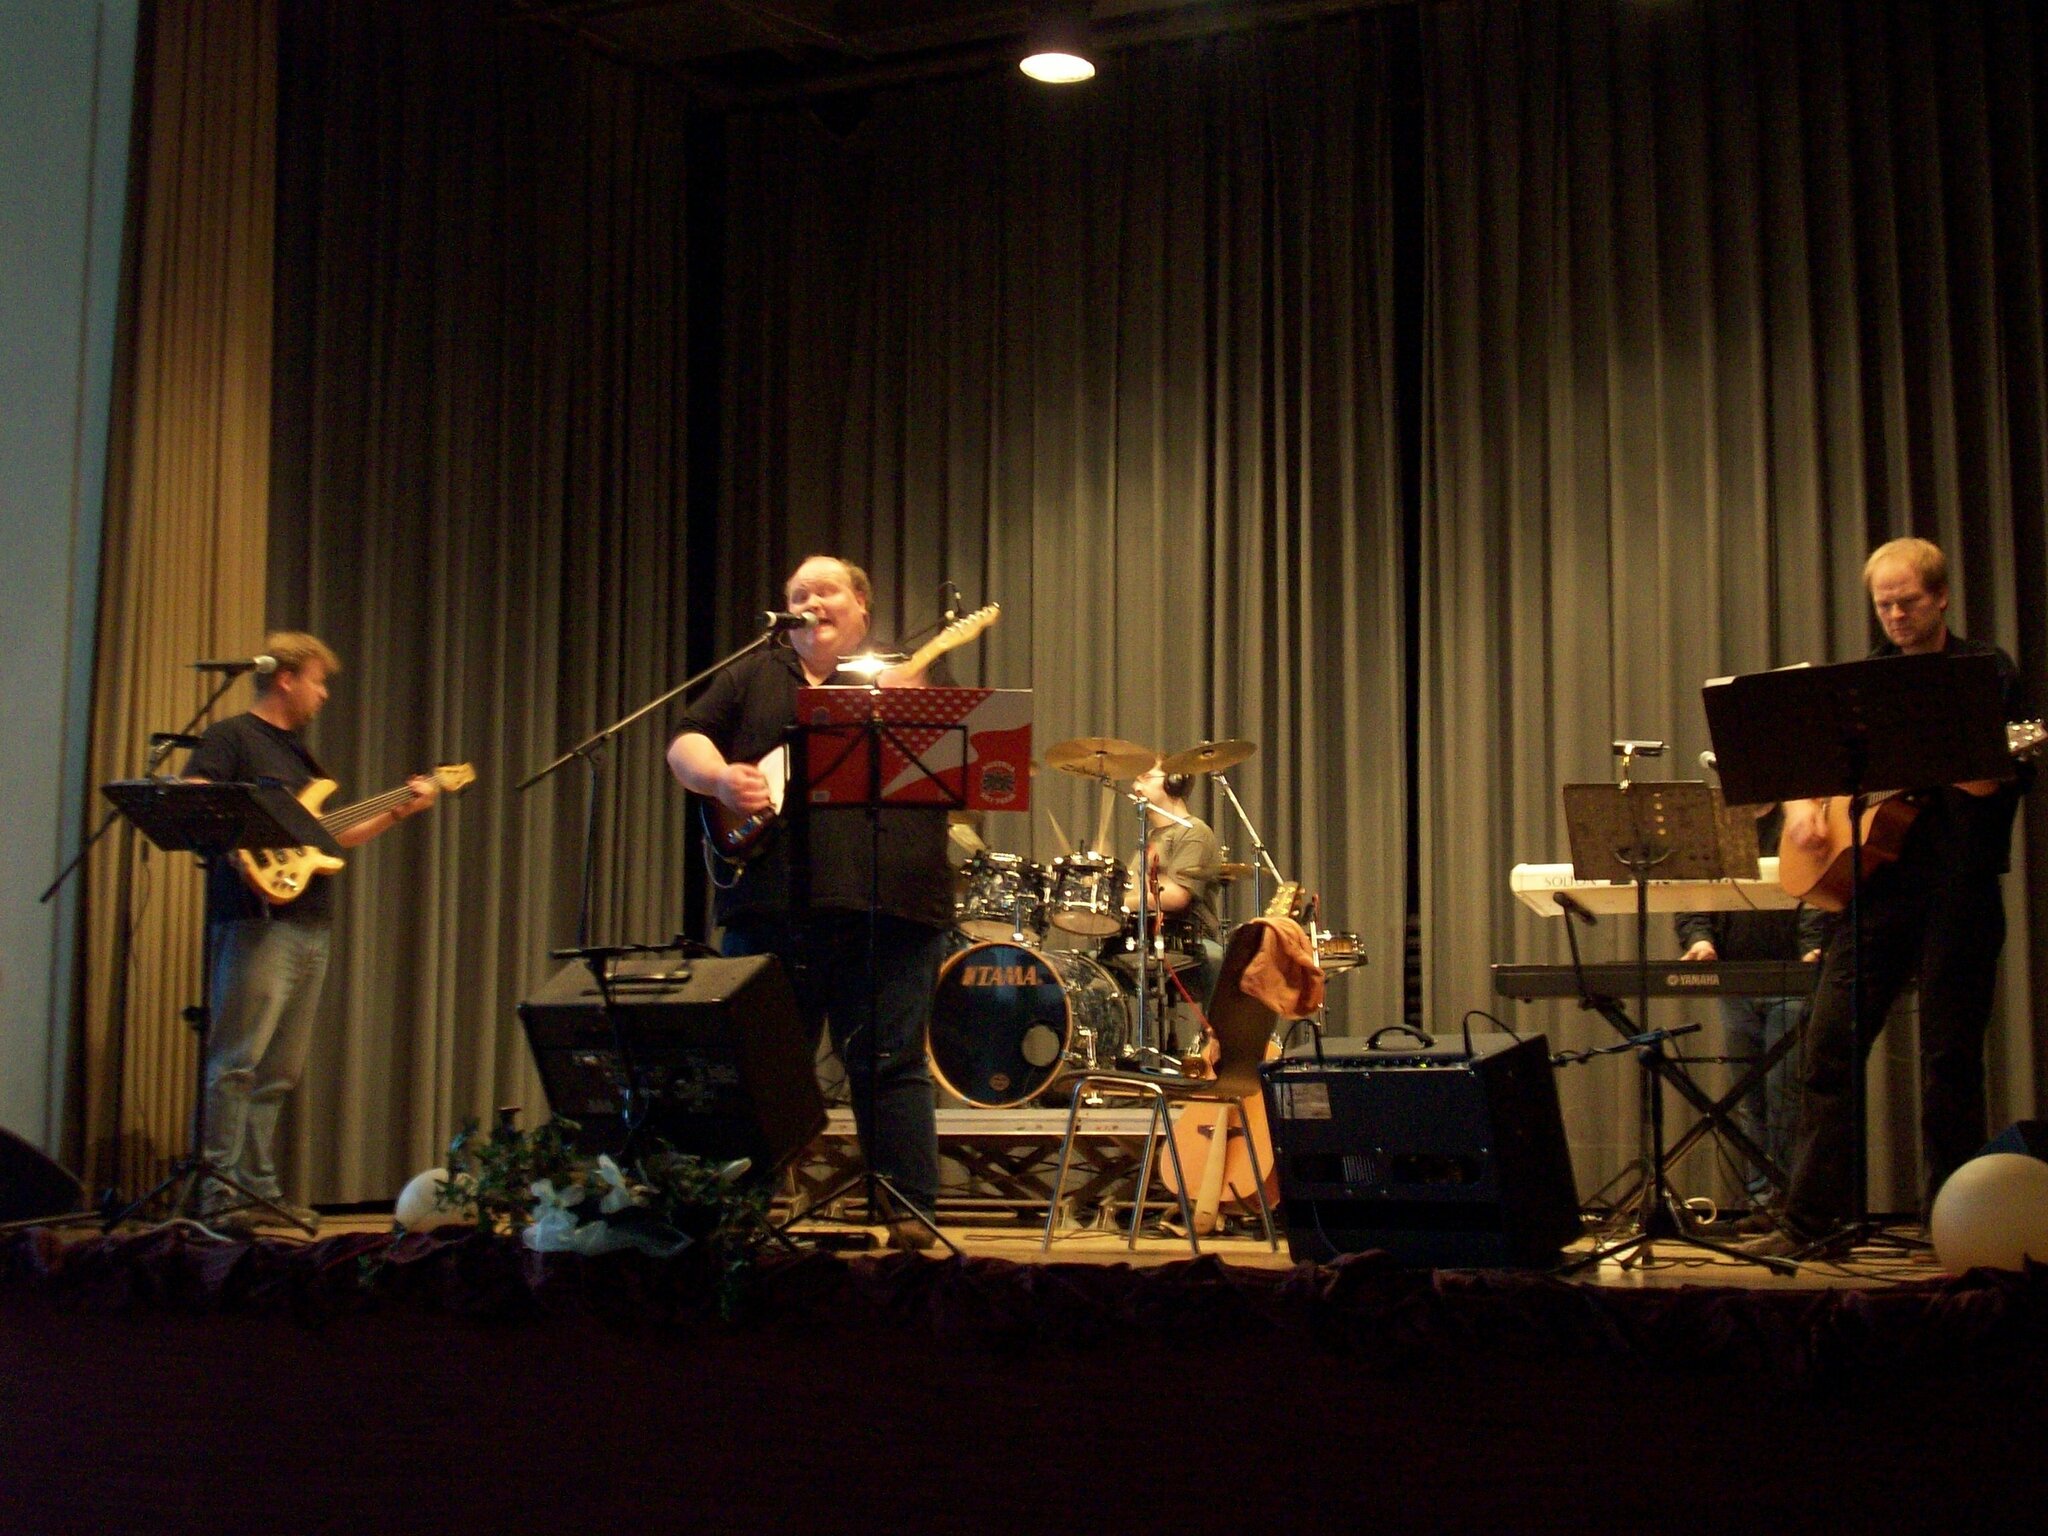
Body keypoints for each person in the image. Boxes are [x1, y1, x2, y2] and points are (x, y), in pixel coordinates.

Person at [1754, 538, 2031, 1256]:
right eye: (1884, 604)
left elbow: (1996, 778)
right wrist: (1802, 810)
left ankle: (1951, 1224)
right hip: (1875, 891)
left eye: (1908, 601)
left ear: (1940, 597)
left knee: (1948, 1061)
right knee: (1829, 1048)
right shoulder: (1864, 679)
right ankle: (1812, 1224)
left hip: (1958, 890)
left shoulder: (1984, 672)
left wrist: (1982, 768)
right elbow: (1801, 761)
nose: (1897, 615)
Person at [666, 556, 949, 1250]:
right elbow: (685, 742)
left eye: (824, 591)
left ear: (860, 606)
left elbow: (957, 771)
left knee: (889, 1061)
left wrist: (914, 699)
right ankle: (738, 1214)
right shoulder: (752, 673)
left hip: (891, 903)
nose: (809, 602)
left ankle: (907, 1213)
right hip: (771, 904)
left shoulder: (903, 675)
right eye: (797, 594)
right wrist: (721, 779)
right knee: (758, 1065)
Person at [184, 632, 441, 1231]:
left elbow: (326, 841)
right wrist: (241, 848)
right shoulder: (232, 737)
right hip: (255, 920)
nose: (324, 694)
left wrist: (398, 808)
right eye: (319, 681)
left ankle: (257, 1189)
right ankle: (218, 1193)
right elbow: (196, 796)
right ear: (285, 677)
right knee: (237, 1060)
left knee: (279, 1070)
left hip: (308, 922)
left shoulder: (301, 757)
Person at [1672, 808, 1825, 1229]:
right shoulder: (1717, 829)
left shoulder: (1797, 820)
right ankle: (1761, 1201)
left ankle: (1790, 1202)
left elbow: (1817, 887)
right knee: (1747, 1098)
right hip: (1735, 983)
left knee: (1786, 1097)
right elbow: (1691, 895)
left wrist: (1812, 946)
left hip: (1790, 978)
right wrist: (1700, 939)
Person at [1124, 761, 1225, 1033]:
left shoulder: (1194, 831)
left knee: (1217, 960)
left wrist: (1124, 901)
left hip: (1193, 941)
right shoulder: (1150, 838)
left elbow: (1175, 896)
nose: (1135, 786)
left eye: (1145, 776)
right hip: (1148, 940)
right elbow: (1135, 890)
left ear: (1174, 781)